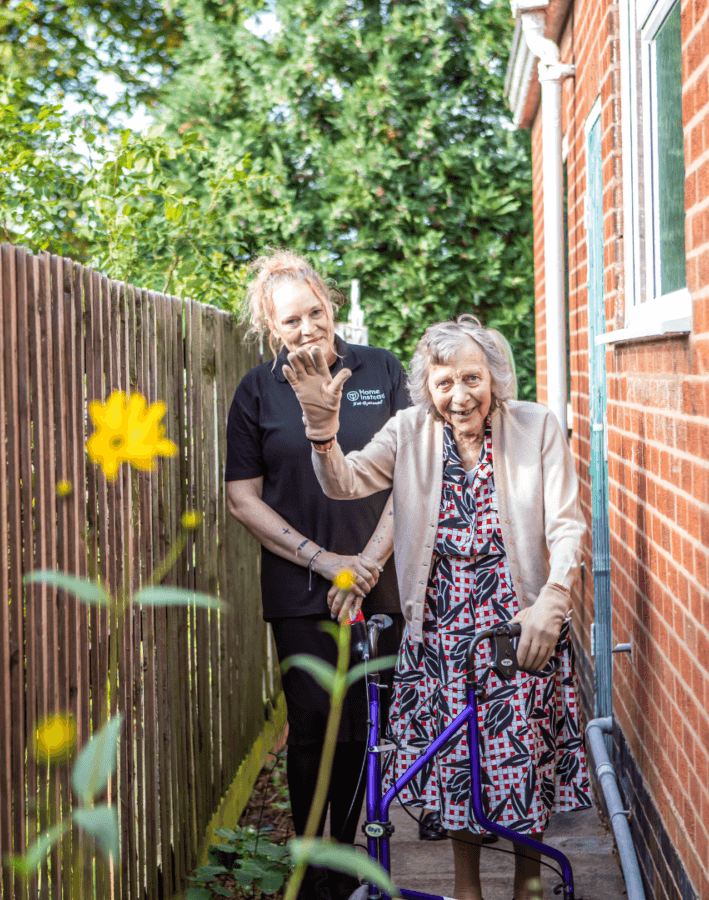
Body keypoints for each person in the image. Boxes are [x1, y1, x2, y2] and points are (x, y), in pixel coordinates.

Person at [282, 315, 590, 900]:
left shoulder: (537, 426)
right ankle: (466, 888)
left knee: (520, 757)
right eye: (444, 382)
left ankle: (528, 881)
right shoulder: (409, 432)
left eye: (471, 378)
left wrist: (554, 598)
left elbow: (568, 524)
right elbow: (344, 482)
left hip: (518, 626)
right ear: (428, 388)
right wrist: (322, 428)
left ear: (495, 377)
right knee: (458, 765)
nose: (459, 395)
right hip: (442, 635)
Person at [224, 250, 409, 900]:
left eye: (314, 312)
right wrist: (326, 563)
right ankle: (311, 871)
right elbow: (242, 497)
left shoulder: (381, 369)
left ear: (329, 304)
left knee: (361, 723)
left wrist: (365, 567)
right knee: (309, 724)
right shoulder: (256, 391)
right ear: (272, 328)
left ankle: (343, 853)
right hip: (301, 590)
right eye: (291, 321)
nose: (307, 328)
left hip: (378, 582)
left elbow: (413, 473)